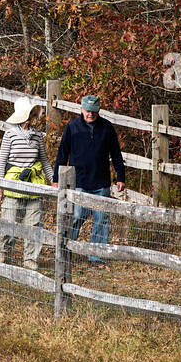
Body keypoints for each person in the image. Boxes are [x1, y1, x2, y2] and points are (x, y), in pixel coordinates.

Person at [54, 94, 126, 265]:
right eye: (87, 111)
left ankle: (97, 256)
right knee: (76, 215)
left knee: (101, 220)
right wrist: (57, 178)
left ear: (98, 110)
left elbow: (116, 154)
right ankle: (66, 250)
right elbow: (62, 153)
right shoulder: (72, 127)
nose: (90, 114)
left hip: (101, 182)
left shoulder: (107, 128)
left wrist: (120, 177)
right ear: (81, 109)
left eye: (93, 111)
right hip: (78, 182)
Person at [0, 97, 53, 269]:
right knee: (9, 224)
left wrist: (53, 180)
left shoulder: (37, 136)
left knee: (33, 225)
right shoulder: (10, 134)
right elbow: (2, 162)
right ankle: (3, 254)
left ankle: (30, 259)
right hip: (12, 184)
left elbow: (44, 160)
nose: (29, 117)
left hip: (33, 184)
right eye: (27, 114)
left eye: (31, 114)